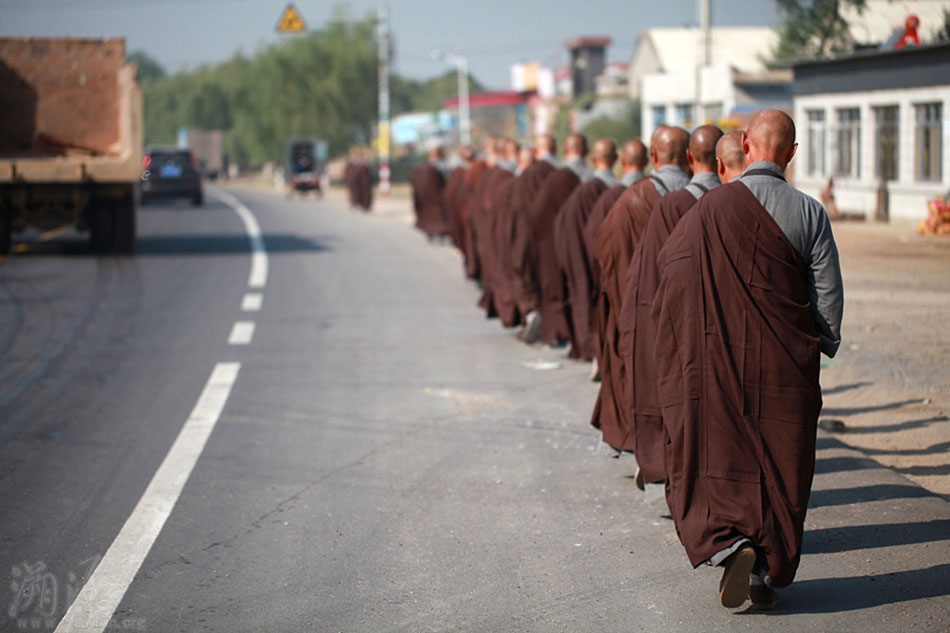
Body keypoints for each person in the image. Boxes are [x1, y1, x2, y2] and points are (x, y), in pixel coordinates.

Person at [652, 109, 843, 610]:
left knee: (730, 453)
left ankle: (733, 542)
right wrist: (820, 343)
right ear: (793, 155)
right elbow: (827, 295)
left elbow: (673, 273)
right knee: (783, 457)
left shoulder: (711, 210)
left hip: (724, 356)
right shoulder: (810, 212)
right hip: (786, 363)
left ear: (744, 144)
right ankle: (765, 566)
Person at [619, 125, 724, 489]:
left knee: (679, 396)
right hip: (729, 326)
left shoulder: (660, 203)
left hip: (677, 318)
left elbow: (639, 267)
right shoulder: (742, 206)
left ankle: (673, 465)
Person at [590, 126, 689, 454]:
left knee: (639, 369)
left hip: (641, 300)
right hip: (689, 304)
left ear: (655, 157)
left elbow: (606, 247)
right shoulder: (703, 198)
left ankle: (644, 443)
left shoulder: (633, 198)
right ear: (688, 157)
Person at [518, 134, 589, 344]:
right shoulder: (576, 175)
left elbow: (530, 213)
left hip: (545, 241)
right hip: (578, 238)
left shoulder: (540, 176)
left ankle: (556, 328)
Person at [554, 139, 618, 360]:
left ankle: (592, 347)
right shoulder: (621, 190)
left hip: (582, 252)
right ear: (617, 159)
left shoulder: (580, 186)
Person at [502, 134, 560, 340]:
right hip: (553, 238)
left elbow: (514, 211)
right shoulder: (559, 175)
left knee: (525, 275)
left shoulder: (522, 180)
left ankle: (532, 313)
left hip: (525, 236)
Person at [410, 146, 449, 239]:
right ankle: (433, 231)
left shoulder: (441, 166)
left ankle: (438, 231)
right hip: (432, 196)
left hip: (436, 195)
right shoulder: (430, 167)